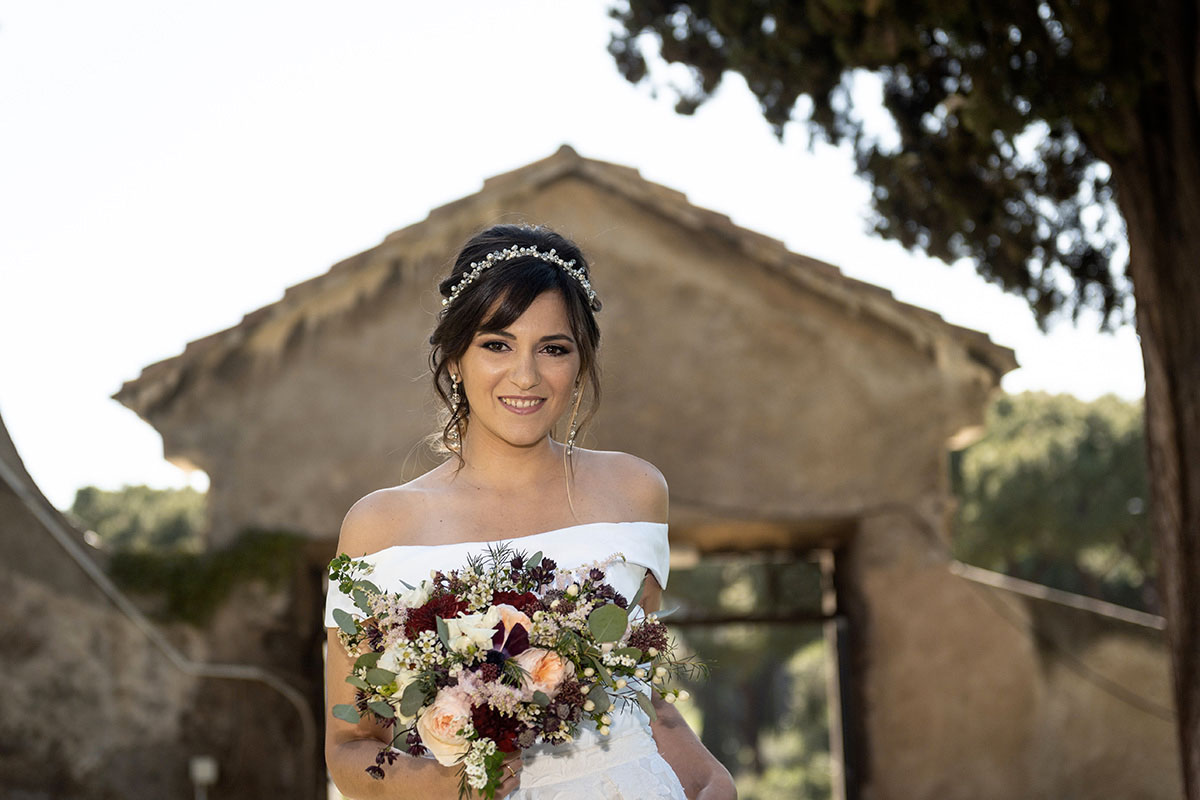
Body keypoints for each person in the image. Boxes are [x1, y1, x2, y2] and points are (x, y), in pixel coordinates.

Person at [324, 224, 737, 799]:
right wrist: (439, 784)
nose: (526, 375)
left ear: (580, 362)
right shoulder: (378, 528)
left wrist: (711, 781)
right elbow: (350, 746)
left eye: (554, 348)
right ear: (453, 358)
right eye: (497, 344)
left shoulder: (636, 492)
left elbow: (642, 698)